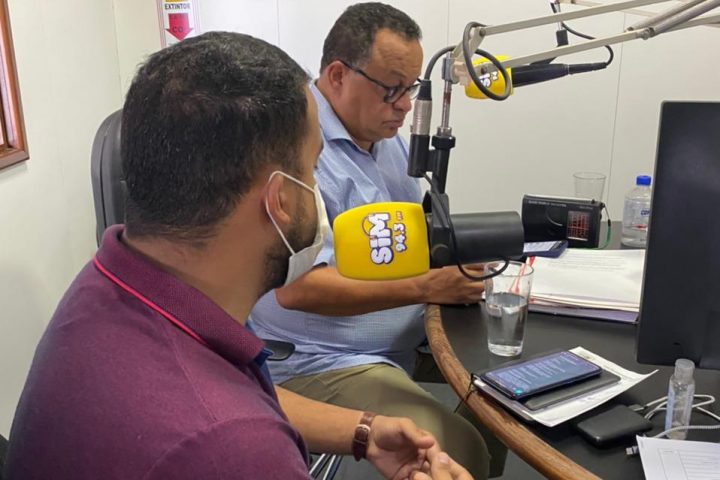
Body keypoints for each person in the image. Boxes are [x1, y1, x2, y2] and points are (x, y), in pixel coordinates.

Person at [3, 32, 471, 480]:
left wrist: (363, 431)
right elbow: (224, 426)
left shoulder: (107, 281)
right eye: (312, 168)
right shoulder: (233, 449)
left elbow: (244, 392)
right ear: (280, 199)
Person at [251, 3, 506, 479]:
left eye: (411, 88)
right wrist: (427, 287)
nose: (405, 105)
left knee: (510, 392)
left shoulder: (384, 139)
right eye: (392, 89)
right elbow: (299, 289)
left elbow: (410, 239)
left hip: (409, 333)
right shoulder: (296, 149)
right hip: (318, 359)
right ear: (337, 75)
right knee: (453, 446)